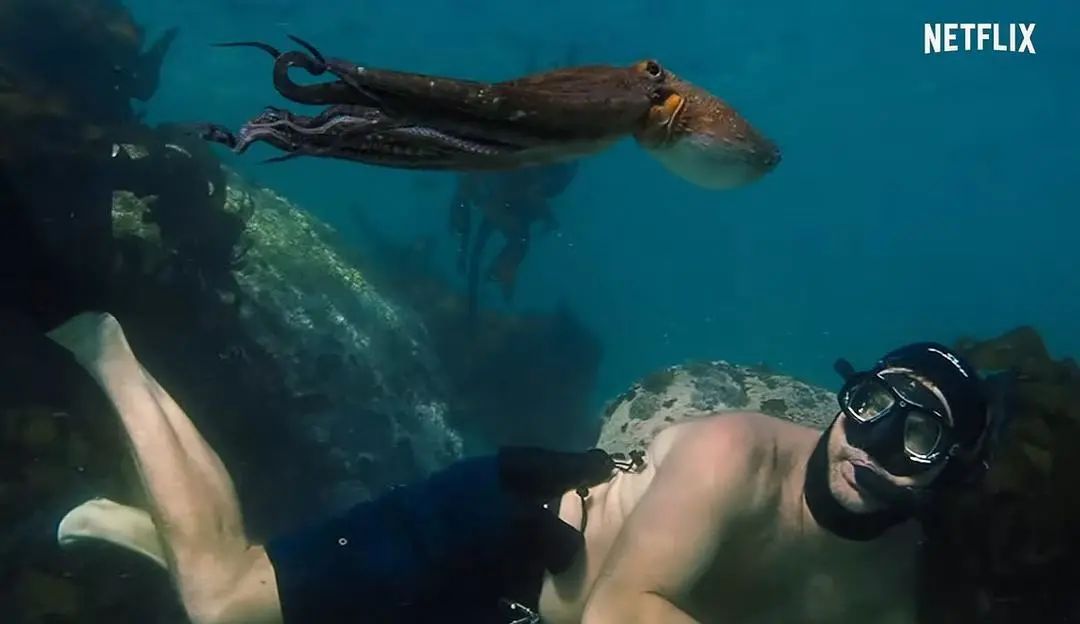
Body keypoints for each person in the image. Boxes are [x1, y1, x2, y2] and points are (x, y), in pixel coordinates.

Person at [45, 311, 993, 623]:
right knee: (223, 605)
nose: (874, 447)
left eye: (919, 437)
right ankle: (107, 348)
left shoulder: (890, 579)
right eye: (872, 406)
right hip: (498, 531)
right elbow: (620, 613)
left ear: (947, 470)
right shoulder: (734, 454)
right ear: (845, 399)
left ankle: (155, 534)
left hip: (527, 614)